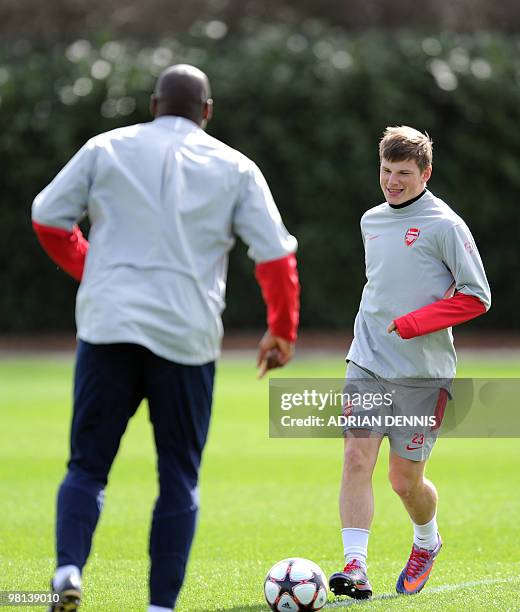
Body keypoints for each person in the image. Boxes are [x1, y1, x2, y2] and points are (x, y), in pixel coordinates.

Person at [32, 64, 300, 612]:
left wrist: (94, 269)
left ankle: (66, 571)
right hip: (186, 336)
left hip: (107, 327)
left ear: (154, 104)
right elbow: (275, 255)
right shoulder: (236, 167)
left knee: (86, 465)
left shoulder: (104, 147)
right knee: (178, 474)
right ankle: (159, 606)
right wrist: (282, 331)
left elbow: (48, 217)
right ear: (207, 112)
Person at [328, 126, 491, 599]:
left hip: (423, 375)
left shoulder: (445, 225)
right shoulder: (370, 220)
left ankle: (427, 541)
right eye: (386, 171)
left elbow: (477, 297)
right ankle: (354, 568)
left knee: (404, 481)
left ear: (426, 173)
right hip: (368, 361)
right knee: (357, 458)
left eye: (403, 173)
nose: (392, 182)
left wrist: (418, 321)